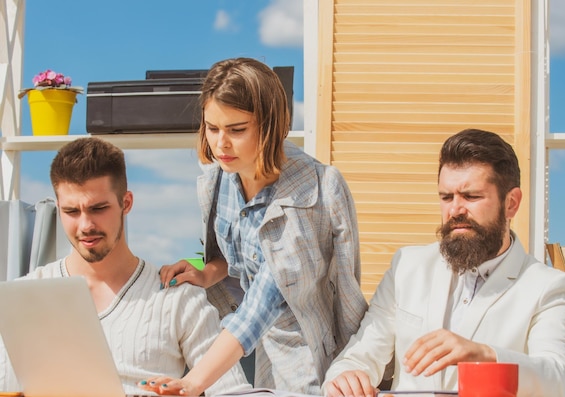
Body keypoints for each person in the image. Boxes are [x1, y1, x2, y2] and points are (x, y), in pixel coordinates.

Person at [139, 57, 367, 396]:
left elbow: (264, 300)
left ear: (271, 126)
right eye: (212, 128)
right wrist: (206, 273)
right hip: (257, 352)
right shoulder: (218, 181)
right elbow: (238, 259)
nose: (221, 144)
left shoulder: (310, 192)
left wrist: (193, 382)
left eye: (237, 130)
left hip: (309, 360)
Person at [323, 129, 565, 397]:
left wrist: (485, 354)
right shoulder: (407, 266)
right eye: (446, 197)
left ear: (511, 203)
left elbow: (558, 380)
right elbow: (359, 357)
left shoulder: (549, 286)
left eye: (471, 196)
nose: (455, 210)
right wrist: (345, 378)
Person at [0, 138, 251, 396]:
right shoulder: (24, 298)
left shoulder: (176, 298)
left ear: (126, 203)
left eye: (98, 208)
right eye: (72, 211)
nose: (85, 225)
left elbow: (233, 392)